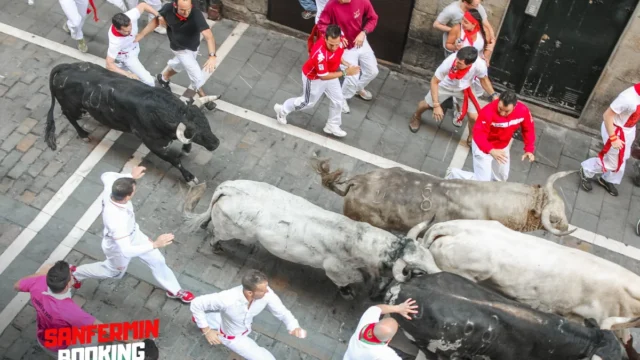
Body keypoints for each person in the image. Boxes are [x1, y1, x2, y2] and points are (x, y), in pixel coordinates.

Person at [71, 167, 195, 303]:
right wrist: (154, 244)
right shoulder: (116, 220)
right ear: (127, 196)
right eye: (134, 190)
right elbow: (127, 251)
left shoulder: (111, 188)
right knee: (114, 272)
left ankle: (175, 290)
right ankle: (76, 273)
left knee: (157, 260)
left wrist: (130, 175)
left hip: (134, 234)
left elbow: (106, 174)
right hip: (118, 247)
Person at [190, 270, 307, 360]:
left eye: (267, 286)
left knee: (219, 318)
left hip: (232, 321)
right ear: (250, 292)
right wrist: (207, 331)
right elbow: (196, 303)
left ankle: (201, 319)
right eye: (263, 289)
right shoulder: (226, 299)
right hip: (233, 337)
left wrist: (293, 326)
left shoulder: (267, 294)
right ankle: (202, 321)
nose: (268, 291)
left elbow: (282, 312)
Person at [274, 24, 359, 137]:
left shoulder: (340, 39)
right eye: (331, 45)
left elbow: (338, 53)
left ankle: (332, 125)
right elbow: (323, 76)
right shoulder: (319, 54)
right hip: (314, 78)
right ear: (325, 38)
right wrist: (346, 72)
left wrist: (342, 62)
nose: (334, 47)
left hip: (331, 74)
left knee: (338, 100)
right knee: (307, 103)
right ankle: (282, 110)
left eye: (336, 44)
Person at [408, 46, 499, 146]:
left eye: (460, 63)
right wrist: (436, 105)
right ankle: (416, 116)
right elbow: (434, 81)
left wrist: (493, 94)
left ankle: (471, 137)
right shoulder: (449, 62)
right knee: (426, 105)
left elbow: (484, 80)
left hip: (464, 88)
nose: (456, 63)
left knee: (474, 117)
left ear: (470, 64)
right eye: (457, 60)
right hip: (444, 85)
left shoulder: (480, 65)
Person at [136, 0, 218, 110]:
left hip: (193, 46)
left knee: (179, 65)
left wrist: (212, 56)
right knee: (195, 72)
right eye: (182, 10)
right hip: (179, 48)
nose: (186, 13)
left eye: (188, 9)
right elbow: (156, 21)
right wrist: (141, 34)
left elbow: (208, 35)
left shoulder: (196, 13)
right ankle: (204, 98)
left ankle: (163, 78)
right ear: (175, 5)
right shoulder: (168, 8)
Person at [13, 261, 102, 358]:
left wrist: (39, 274)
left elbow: (17, 285)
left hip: (43, 336)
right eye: (71, 275)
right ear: (68, 285)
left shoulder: (38, 281)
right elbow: (107, 330)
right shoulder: (69, 310)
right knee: (94, 338)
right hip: (63, 345)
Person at [446, 90, 536, 182]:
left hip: (501, 148)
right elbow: (479, 135)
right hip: (482, 148)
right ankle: (453, 174)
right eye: (500, 109)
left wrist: (529, 149)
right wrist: (491, 150)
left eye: (507, 111)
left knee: (501, 178)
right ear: (498, 101)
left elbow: (528, 129)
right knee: (482, 182)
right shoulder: (487, 112)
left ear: (515, 106)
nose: (502, 113)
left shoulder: (523, 111)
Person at [317, 0, 380, 114]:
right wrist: (337, 38)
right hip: (344, 47)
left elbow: (373, 18)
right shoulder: (332, 5)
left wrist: (363, 32)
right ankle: (342, 98)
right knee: (352, 77)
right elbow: (322, 25)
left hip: (360, 41)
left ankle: (356, 88)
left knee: (373, 71)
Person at [580, 84, 640, 197]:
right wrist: (613, 138)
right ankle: (586, 170)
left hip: (629, 130)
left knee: (623, 158)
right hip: (615, 130)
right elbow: (607, 115)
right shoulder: (627, 98)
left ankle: (607, 179)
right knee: (612, 163)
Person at [343, 298, 419, 360]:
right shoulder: (384, 354)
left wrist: (398, 308)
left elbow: (377, 308)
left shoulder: (367, 320)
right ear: (389, 340)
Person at [106, 4, 160, 87]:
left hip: (134, 48)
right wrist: (128, 74)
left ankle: (113, 80)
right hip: (127, 56)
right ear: (117, 29)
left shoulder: (130, 16)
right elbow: (109, 64)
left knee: (118, 73)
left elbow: (143, 5)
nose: (130, 32)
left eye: (131, 27)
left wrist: (158, 15)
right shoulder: (115, 42)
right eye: (126, 31)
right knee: (149, 81)